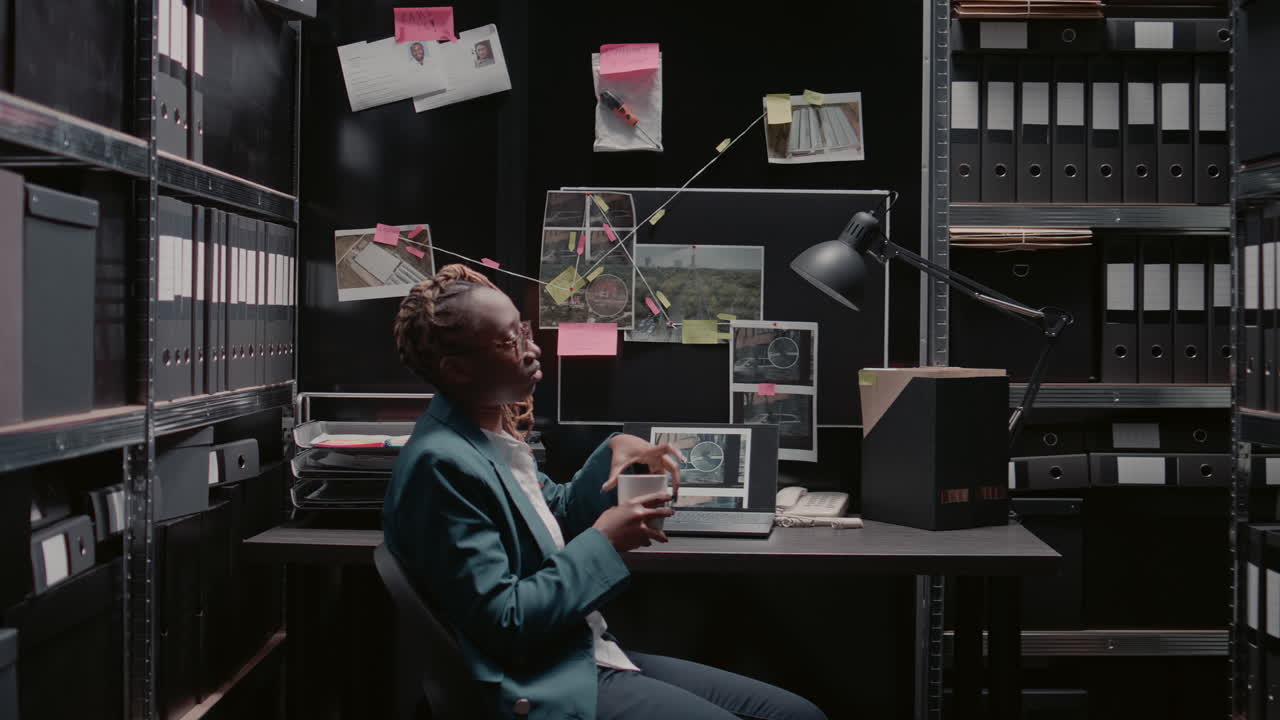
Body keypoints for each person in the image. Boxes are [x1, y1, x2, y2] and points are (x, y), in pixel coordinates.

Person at [386, 263, 826, 720]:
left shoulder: (487, 436)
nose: (532, 349)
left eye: (524, 330)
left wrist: (615, 449)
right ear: (457, 369)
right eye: (509, 342)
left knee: (798, 715)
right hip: (540, 680)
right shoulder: (441, 465)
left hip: (577, 651)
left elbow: (551, 514)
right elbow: (507, 621)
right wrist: (605, 541)